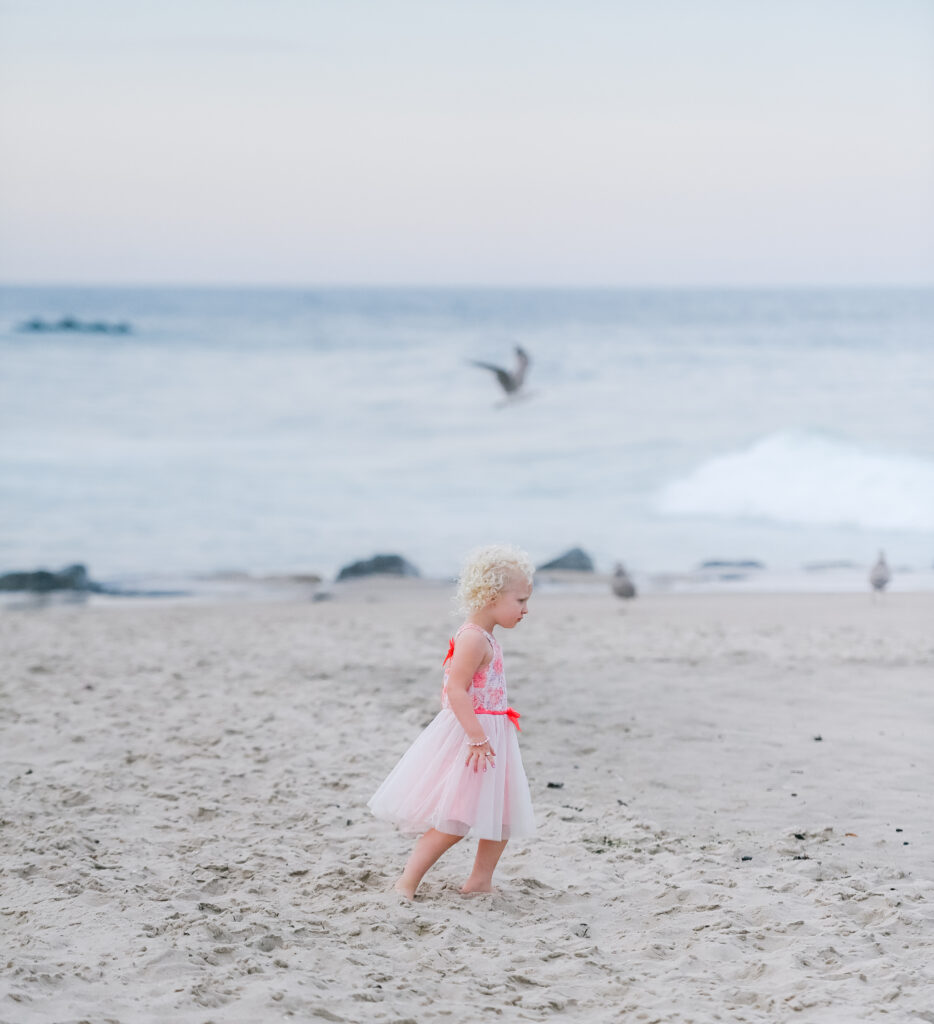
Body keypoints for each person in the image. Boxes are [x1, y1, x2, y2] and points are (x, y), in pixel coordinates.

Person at [367, 544, 536, 898]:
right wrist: (476, 736)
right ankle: (407, 882)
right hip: (474, 738)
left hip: (493, 735)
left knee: (501, 815)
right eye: (520, 601)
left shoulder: (484, 635)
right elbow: (455, 691)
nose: (525, 610)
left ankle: (479, 881)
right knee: (455, 819)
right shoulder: (473, 638)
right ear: (491, 596)